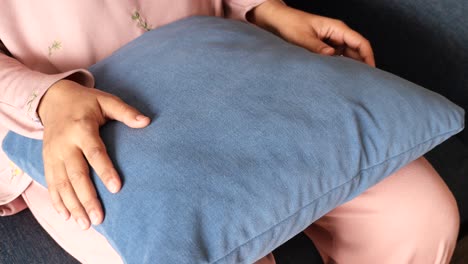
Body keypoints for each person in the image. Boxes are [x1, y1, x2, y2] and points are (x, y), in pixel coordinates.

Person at [0, 0, 459, 263]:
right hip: (63, 119)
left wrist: (263, 8)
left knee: (420, 214)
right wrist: (45, 98)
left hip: (223, 64)